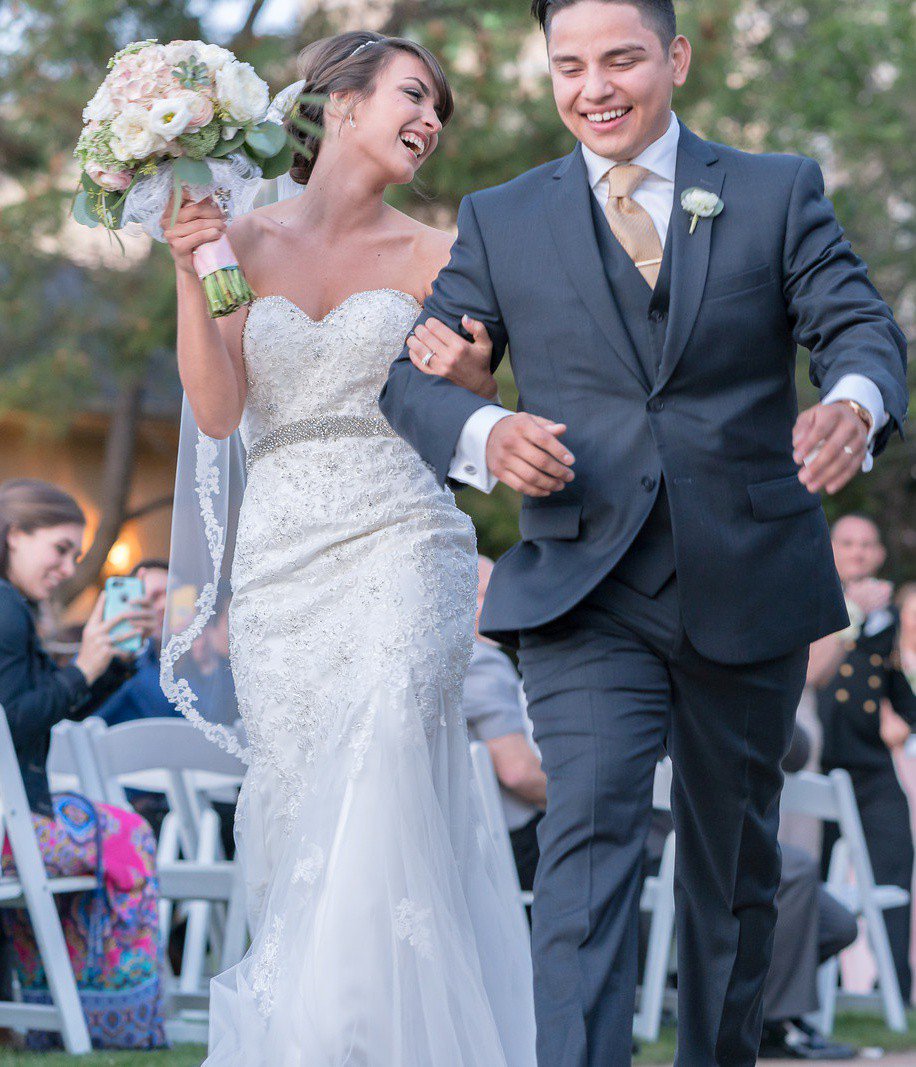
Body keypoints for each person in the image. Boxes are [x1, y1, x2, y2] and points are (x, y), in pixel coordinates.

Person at [379, 1, 909, 1062]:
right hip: (584, 587)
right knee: (585, 843)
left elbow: (857, 324)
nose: (594, 86)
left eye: (620, 57)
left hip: (748, 578)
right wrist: (487, 429)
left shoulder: (776, 189)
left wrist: (852, 400)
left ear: (672, 56)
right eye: (568, 65)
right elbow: (410, 377)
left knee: (733, 867)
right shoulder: (502, 216)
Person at [161, 31, 535, 1066]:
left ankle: (349, 1040)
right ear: (338, 102)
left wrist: (472, 380)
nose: (429, 120)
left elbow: (470, 407)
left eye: (439, 112)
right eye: (414, 95)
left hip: (404, 538)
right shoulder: (234, 237)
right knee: (302, 800)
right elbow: (220, 406)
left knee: (380, 760)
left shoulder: (444, 252)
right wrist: (194, 270)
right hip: (283, 559)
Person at [0, 479, 165, 1049]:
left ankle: (58, 1012)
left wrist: (108, 662)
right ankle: (117, 1020)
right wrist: (84, 666)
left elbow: (45, 707)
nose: (69, 566)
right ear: (15, 535)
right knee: (127, 833)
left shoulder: (11, 607)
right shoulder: (5, 610)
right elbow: (12, 722)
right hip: (6, 825)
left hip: (15, 819)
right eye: (61, 548)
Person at [817, 515, 916, 1002]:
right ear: (829, 549)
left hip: (871, 765)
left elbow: (898, 688)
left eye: (866, 545)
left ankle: (897, 986)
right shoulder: (812, 601)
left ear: (879, 554)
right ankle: (814, 989)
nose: (857, 553)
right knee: (811, 873)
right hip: (817, 763)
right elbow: (814, 677)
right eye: (846, 543)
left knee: (896, 863)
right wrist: (852, 611)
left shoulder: (890, 619)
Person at [464, 557, 546, 894]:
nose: (494, 605)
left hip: (474, 841)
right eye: (481, 594)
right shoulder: (483, 663)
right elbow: (518, 772)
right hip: (512, 845)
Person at [96, 559, 176, 725]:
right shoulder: (104, 654)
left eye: (172, 595)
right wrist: (127, 656)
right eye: (153, 597)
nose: (164, 605)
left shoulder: (195, 660)